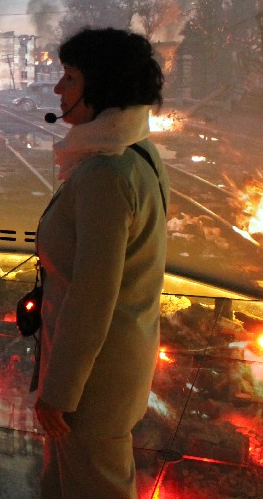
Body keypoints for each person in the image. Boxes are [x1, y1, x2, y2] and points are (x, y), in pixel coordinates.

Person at [33, 28, 169, 499]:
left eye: (70, 77)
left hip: (93, 386)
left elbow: (93, 298)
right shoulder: (135, 152)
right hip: (113, 366)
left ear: (103, 86)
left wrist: (59, 393)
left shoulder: (104, 174)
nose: (59, 88)